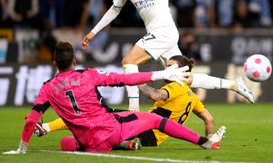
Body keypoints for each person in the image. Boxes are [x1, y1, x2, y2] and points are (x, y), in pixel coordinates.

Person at [82, 0, 254, 111]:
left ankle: (133, 112)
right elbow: (114, 9)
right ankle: (233, 85)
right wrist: (93, 32)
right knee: (183, 78)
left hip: (164, 32)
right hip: (161, 36)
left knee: (129, 62)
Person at [5, 42, 224, 154]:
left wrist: (22, 148)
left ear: (54, 63)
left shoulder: (47, 89)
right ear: (74, 60)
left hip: (90, 143)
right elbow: (126, 80)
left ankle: (115, 144)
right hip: (112, 130)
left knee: (65, 143)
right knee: (155, 120)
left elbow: (30, 120)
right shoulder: (88, 75)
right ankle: (203, 143)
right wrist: (161, 74)